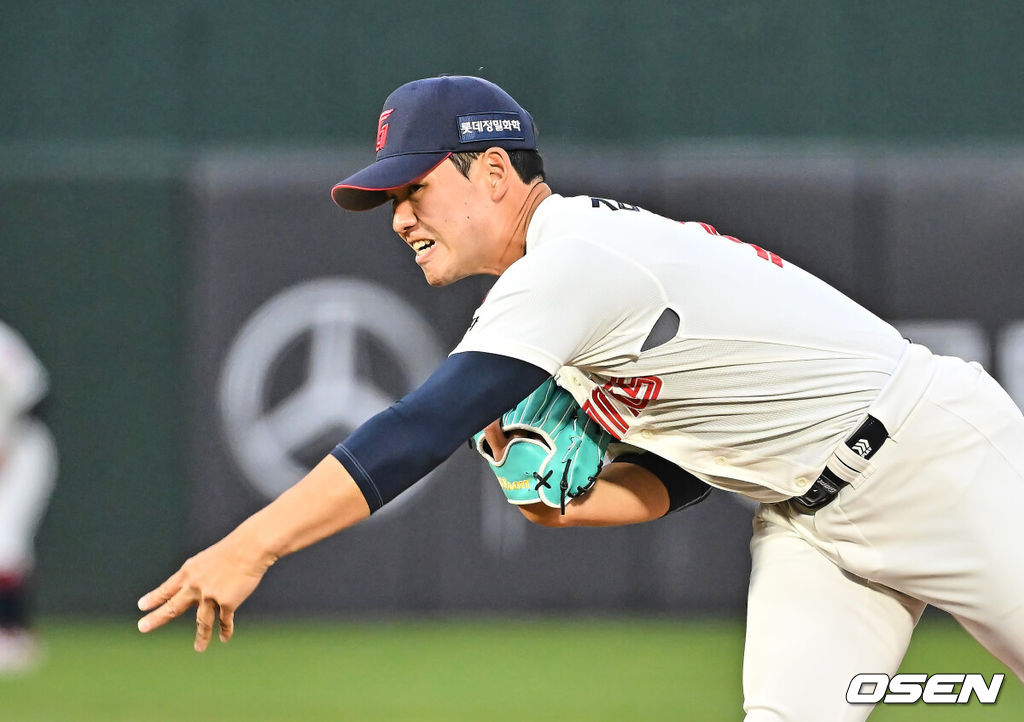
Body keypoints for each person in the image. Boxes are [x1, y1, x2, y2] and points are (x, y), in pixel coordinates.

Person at [138, 76, 1024, 720]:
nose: (400, 216)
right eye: (389, 199)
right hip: (807, 523)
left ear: (491, 172)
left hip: (933, 460)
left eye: (413, 189)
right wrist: (567, 504)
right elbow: (684, 480)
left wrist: (252, 546)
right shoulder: (554, 308)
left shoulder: (572, 262)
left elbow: (420, 428)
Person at [0, 320, 57, 674]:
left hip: (21, 453)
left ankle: (14, 636)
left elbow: (36, 395)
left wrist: (7, 441)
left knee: (5, 542)